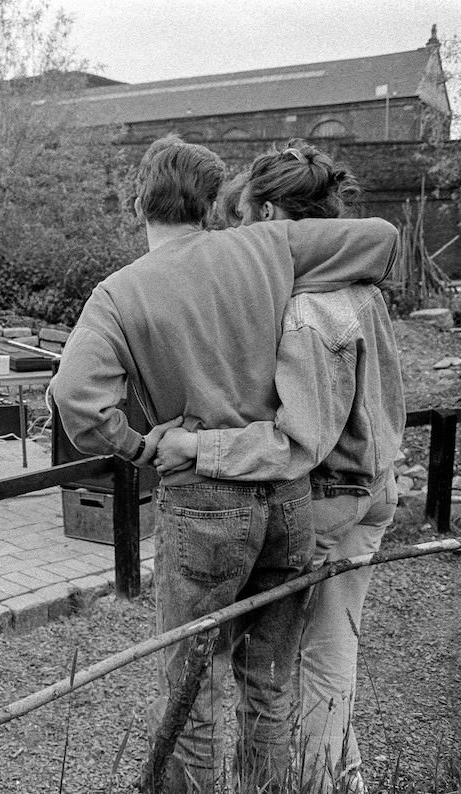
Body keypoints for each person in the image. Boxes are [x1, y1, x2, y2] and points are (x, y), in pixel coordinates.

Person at [48, 134, 399, 793]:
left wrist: (137, 445)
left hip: (204, 503)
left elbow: (75, 401)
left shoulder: (117, 297)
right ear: (211, 206)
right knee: (268, 683)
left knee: (194, 689)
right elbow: (381, 239)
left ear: (136, 205)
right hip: (289, 498)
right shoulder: (267, 247)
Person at [154, 140, 404, 794]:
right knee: (332, 657)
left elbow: (298, 442)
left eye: (245, 218)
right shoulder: (359, 283)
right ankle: (343, 781)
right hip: (376, 487)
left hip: (331, 497)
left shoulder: (308, 311)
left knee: (280, 666)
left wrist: (198, 449)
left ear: (268, 211)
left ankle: (313, 785)